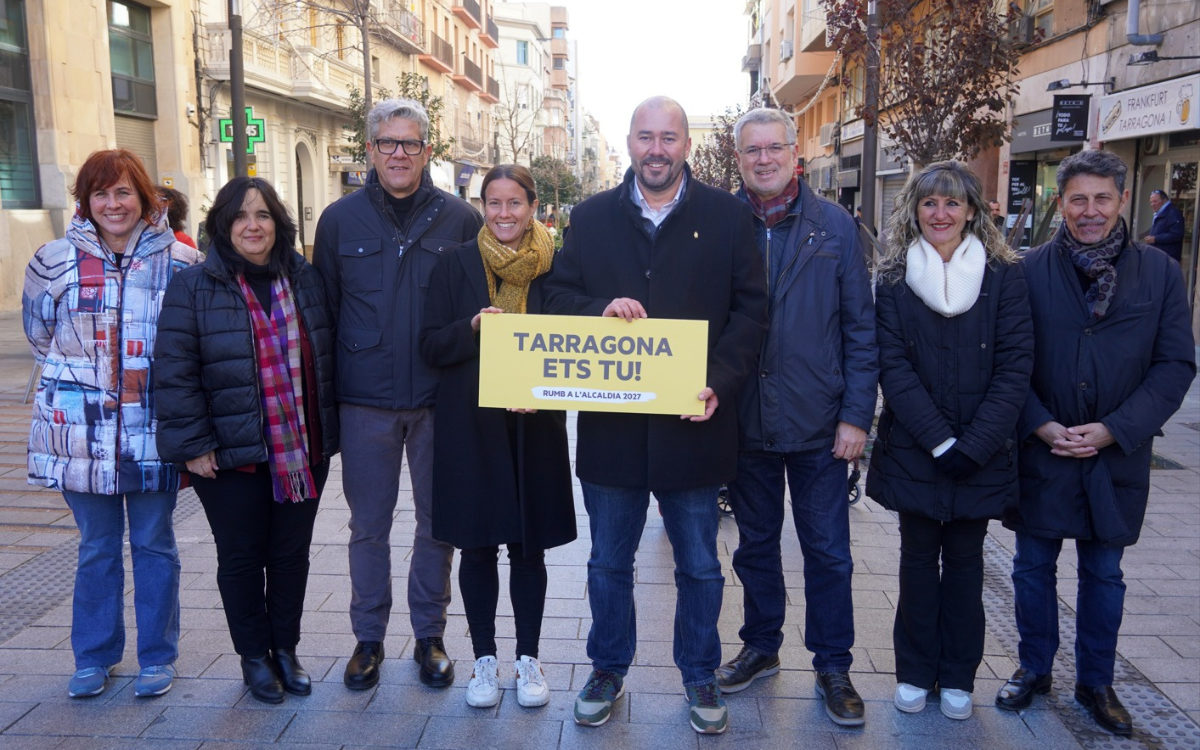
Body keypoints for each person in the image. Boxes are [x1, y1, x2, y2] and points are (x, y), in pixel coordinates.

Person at [543, 96, 768, 735]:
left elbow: (751, 312)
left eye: (669, 137)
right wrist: (597, 311)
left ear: (686, 145)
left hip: (693, 427)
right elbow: (555, 296)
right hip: (613, 432)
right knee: (608, 562)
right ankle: (608, 668)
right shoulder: (588, 220)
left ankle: (699, 675)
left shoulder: (727, 217)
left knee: (698, 563)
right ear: (631, 142)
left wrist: (719, 381)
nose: (657, 149)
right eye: (646, 137)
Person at [997, 150, 1195, 736]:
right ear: (1061, 203)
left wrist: (1116, 429)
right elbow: (1009, 361)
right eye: (1078, 199)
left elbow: (1175, 365)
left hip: (1117, 456)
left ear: (1123, 201)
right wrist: (1039, 423)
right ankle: (1034, 669)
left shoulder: (1158, 274)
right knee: (1032, 566)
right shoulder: (1028, 270)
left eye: (1101, 199)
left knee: (1104, 573)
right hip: (1044, 448)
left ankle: (1096, 681)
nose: (1090, 211)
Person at [313, 98, 483, 690]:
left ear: (428, 151)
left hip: (440, 398)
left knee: (438, 523)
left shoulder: (462, 219)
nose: (398, 154)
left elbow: (476, 312)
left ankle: (430, 636)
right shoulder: (338, 221)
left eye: (410, 144)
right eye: (387, 143)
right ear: (370, 149)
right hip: (365, 399)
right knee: (368, 525)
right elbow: (326, 315)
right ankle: (367, 639)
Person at [716, 107, 877, 728]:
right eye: (751, 150)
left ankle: (834, 664)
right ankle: (761, 645)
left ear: (795, 155)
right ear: (739, 158)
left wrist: (857, 417)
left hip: (820, 424)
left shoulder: (836, 227)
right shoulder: (718, 224)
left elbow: (862, 333)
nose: (763, 159)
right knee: (754, 546)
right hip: (745, 420)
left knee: (829, 552)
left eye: (773, 148)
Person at [22, 148, 202, 699]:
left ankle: (157, 657)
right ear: (86, 201)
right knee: (97, 546)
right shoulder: (52, 260)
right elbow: (40, 334)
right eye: (101, 194)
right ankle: (93, 657)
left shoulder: (182, 262)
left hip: (155, 429)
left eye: (124, 191)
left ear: (146, 197)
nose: (113, 204)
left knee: (153, 542)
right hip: (82, 434)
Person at [154, 176, 338, 704]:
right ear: (222, 226)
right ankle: (254, 656)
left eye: (261, 215)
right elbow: (175, 371)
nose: (251, 226)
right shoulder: (195, 285)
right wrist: (193, 443)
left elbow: (326, 355)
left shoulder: (305, 278)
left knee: (290, 555)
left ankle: (286, 649)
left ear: (278, 223)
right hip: (229, 455)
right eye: (239, 217)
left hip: (302, 449)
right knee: (240, 557)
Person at [867, 161, 1033, 721]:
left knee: (965, 566)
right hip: (917, 449)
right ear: (914, 209)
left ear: (972, 211)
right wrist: (941, 442)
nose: (941, 214)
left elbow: (1016, 367)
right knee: (916, 563)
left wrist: (976, 443)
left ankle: (958, 676)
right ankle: (914, 672)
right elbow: (892, 365)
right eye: (930, 204)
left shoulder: (1005, 276)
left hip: (981, 454)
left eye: (952, 204)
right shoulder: (891, 279)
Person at [419, 164, 576, 709]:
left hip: (535, 424)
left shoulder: (558, 270)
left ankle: (528, 658)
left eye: (515, 203)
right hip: (471, 425)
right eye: (494, 203)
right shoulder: (455, 265)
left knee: (529, 548)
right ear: (481, 206)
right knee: (478, 546)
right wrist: (470, 329)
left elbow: (578, 348)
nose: (504, 214)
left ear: (533, 206)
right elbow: (430, 346)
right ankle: (484, 659)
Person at [1142, 189, 1185, 262]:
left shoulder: (1173, 213)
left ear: (1164, 200)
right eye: (1151, 202)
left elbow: (1177, 235)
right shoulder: (1160, 213)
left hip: (1167, 259)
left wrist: (1155, 239)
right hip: (1159, 257)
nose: (1152, 204)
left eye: (1155, 201)